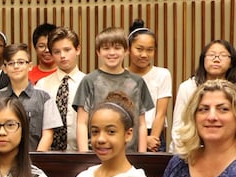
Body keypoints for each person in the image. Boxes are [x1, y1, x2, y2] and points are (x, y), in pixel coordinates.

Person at [73, 27, 154, 152]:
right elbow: (82, 123)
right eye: (106, 48)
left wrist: (142, 155)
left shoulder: (137, 82)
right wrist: (84, 155)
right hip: (97, 152)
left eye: (117, 48)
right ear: (98, 52)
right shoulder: (89, 81)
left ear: (126, 51)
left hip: (129, 153)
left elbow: (142, 123)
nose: (112, 53)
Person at [0, 44, 62, 151]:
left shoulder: (44, 97)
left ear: (30, 66)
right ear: (5, 69)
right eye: (11, 63)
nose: (16, 66)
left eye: (21, 62)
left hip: (34, 160)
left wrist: (34, 162)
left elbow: (48, 135)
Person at [170, 39, 236, 153]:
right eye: (211, 55)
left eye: (223, 55)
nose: (216, 59)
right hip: (191, 151)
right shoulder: (188, 87)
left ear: (231, 62)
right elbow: (179, 127)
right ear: (203, 59)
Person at [35, 27, 85, 151]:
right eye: (57, 52)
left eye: (67, 50)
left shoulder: (88, 83)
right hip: (48, 152)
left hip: (82, 151)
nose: (62, 56)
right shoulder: (42, 85)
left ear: (77, 49)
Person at [127, 20, 172, 152]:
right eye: (139, 49)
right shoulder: (121, 75)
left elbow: (161, 113)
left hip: (154, 134)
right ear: (129, 49)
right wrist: (139, 139)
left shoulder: (162, 74)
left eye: (150, 50)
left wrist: (152, 138)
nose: (144, 55)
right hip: (127, 133)